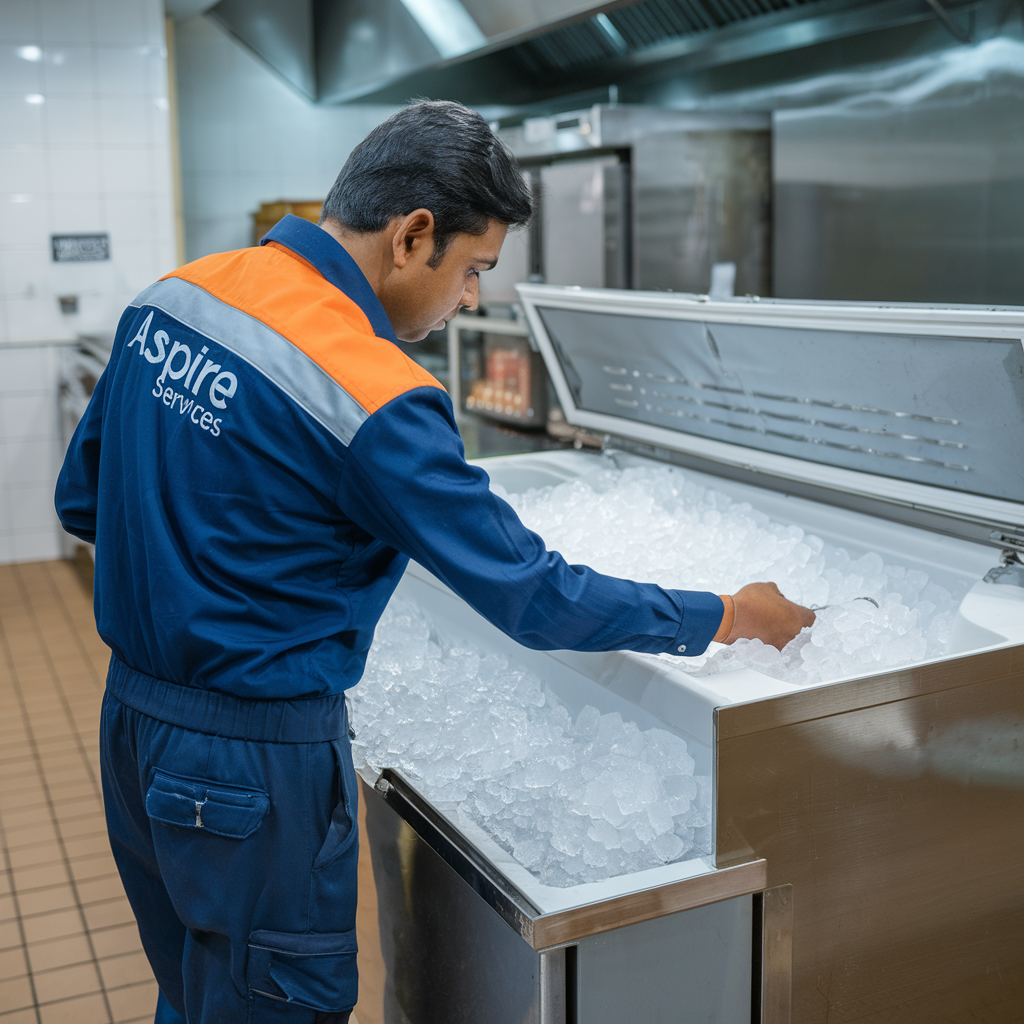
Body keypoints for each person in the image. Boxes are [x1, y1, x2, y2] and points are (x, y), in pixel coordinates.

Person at [55, 100, 813, 1024]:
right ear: (412, 236)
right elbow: (535, 597)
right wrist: (728, 614)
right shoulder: (374, 392)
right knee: (270, 1006)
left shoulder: (179, 295)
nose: (473, 300)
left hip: (133, 727)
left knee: (194, 989)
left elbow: (83, 503)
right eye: (473, 269)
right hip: (255, 768)